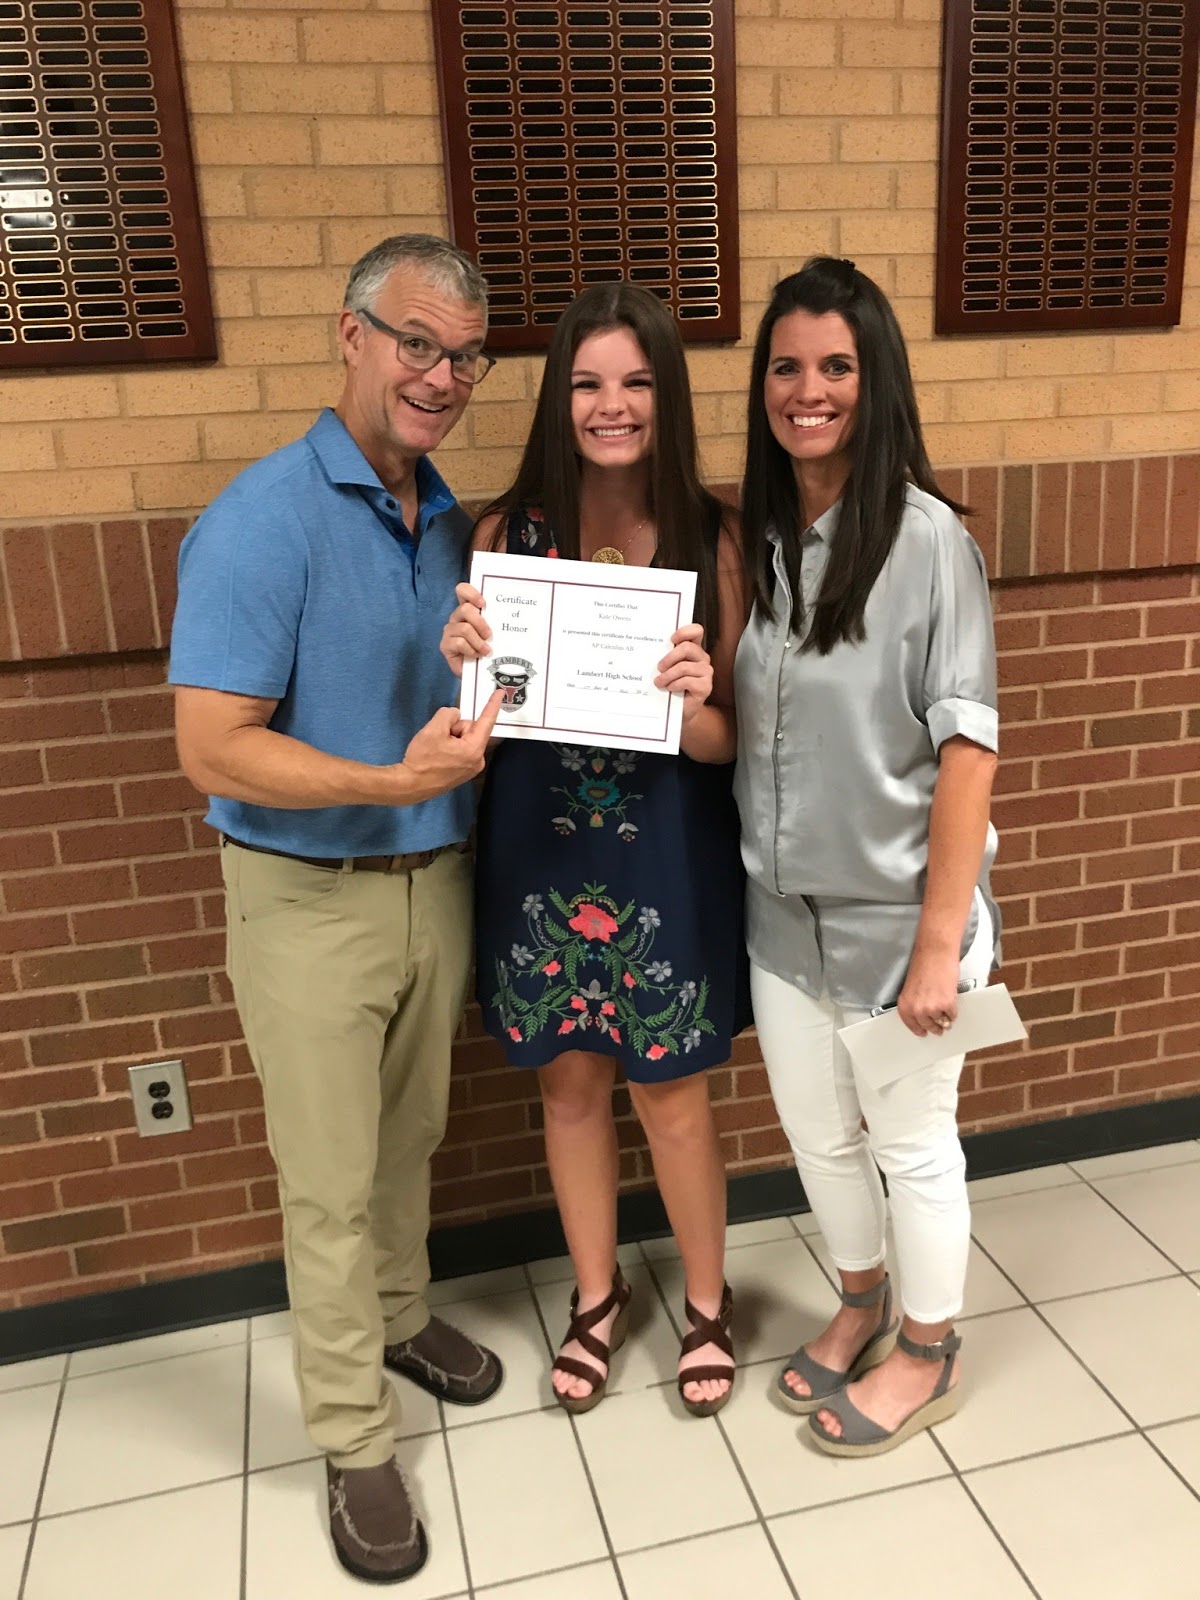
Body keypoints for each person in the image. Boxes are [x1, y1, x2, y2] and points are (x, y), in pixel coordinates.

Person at [170, 234, 506, 1584]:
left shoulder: (453, 521)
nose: (439, 375)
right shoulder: (263, 518)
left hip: (438, 877)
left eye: (465, 355)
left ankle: (405, 1314)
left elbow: (484, 703)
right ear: (350, 335)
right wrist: (387, 777)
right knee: (325, 1183)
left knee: (409, 1137)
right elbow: (213, 747)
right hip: (309, 898)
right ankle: (357, 1441)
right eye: (415, 341)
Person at [441, 283, 750, 1417]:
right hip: (538, 847)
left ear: (665, 395)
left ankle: (707, 1303)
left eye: (634, 382)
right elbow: (471, 723)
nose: (610, 405)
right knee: (569, 1086)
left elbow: (727, 747)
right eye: (586, 382)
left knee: (671, 1092)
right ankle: (595, 1294)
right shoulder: (500, 535)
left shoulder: (716, 534)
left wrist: (699, 696)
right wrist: (463, 653)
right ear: (556, 396)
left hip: (664, 851)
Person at [734, 257, 1000, 1456]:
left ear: (873, 377)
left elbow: (968, 756)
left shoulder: (929, 542)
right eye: (787, 366)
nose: (808, 388)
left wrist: (940, 949)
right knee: (819, 1137)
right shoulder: (769, 540)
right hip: (784, 921)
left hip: (902, 923)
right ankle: (860, 1298)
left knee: (909, 1144)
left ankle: (930, 1351)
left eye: (835, 365)